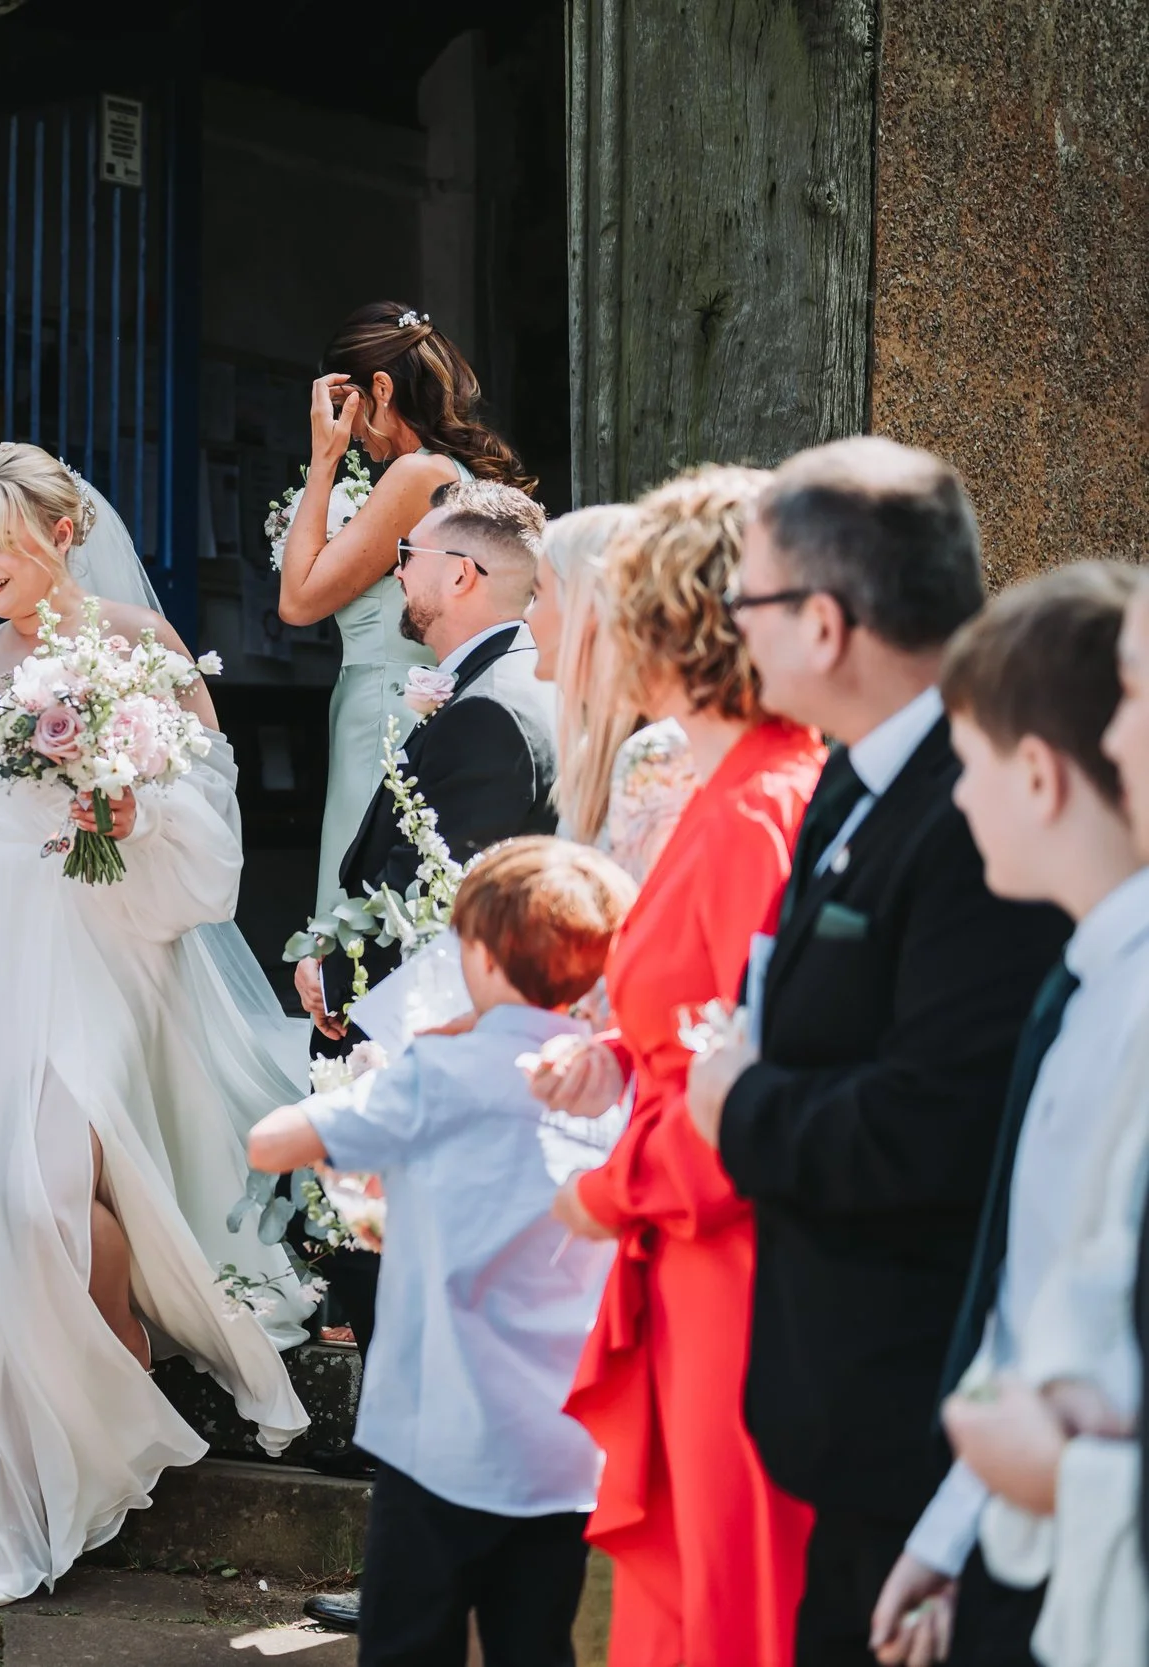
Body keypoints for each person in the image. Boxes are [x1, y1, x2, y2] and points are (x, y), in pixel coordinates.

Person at [0, 442, 312, 1611]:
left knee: (39, 1191)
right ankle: (43, 1432)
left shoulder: (137, 641)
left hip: (89, 936)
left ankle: (112, 1381)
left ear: (61, 534)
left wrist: (129, 804)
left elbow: (210, 805)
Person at [681, 437, 1073, 1667]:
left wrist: (737, 1104)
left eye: (745, 599)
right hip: (839, 1405)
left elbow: (936, 1122)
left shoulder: (981, 807)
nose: (732, 628)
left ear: (826, 621)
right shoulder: (854, 776)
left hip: (928, 1423)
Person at [523, 467, 824, 1667]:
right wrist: (611, 1053)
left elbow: (757, 1065)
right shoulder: (722, 790)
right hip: (687, 1243)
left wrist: (599, 1193)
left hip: (724, 1252)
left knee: (731, 1593)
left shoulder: (753, 804)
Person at [250, 837, 636, 1665]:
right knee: (534, 1645)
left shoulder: (438, 1074)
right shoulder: (614, 1088)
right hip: (562, 1450)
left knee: (407, 1645)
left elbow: (269, 1141)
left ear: (481, 956)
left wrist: (379, 1095)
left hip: (438, 1436)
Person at [866, 563, 1149, 1667]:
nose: (1117, 745)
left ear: (1034, 774)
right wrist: (958, 1526)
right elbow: (1026, 1303)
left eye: (968, 766)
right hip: (1024, 1544)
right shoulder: (1080, 984)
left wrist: (1057, 1473)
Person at [275, 301, 536, 926]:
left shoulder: (417, 474)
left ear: (381, 390)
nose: (352, 429)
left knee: (359, 899)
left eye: (350, 406)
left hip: (384, 711)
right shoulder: (454, 472)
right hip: (402, 700)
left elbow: (298, 601)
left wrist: (323, 460)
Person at [303, 477, 558, 1042]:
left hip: (428, 1025)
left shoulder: (487, 711)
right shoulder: (507, 678)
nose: (395, 572)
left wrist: (334, 979)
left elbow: (434, 890)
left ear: (461, 573)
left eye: (407, 554)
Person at [521, 502, 699, 878]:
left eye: (538, 593)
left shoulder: (665, 759)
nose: (526, 614)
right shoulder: (593, 752)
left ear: (587, 609)